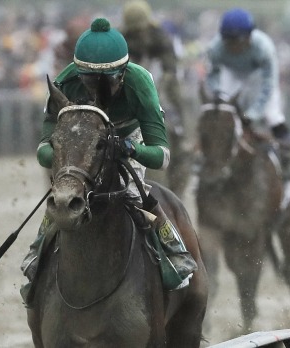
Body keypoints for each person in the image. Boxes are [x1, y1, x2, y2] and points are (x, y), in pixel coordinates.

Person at [21, 18, 197, 298]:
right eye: (89, 80)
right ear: (78, 72)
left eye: (107, 80)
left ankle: (173, 253)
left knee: (134, 193)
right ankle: (38, 252)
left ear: (123, 72)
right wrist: (63, 155)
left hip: (129, 136)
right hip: (82, 143)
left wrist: (132, 149)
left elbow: (161, 157)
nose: (96, 88)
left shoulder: (140, 83)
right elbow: (43, 148)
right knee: (63, 196)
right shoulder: (65, 82)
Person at [204, 8, 290, 209]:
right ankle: (202, 167)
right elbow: (213, 77)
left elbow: (268, 87)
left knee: (273, 116)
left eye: (237, 41)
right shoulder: (215, 48)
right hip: (232, 75)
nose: (232, 47)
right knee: (217, 116)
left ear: (249, 36)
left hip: (260, 78)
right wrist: (220, 99)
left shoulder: (264, 48)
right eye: (228, 42)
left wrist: (252, 114)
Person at [121, 0, 192, 199]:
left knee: (175, 105)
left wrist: (155, 92)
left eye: (140, 31)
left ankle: (182, 135)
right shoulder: (121, 39)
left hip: (159, 87)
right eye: (134, 32)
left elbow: (170, 71)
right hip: (129, 89)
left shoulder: (161, 38)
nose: (137, 35)